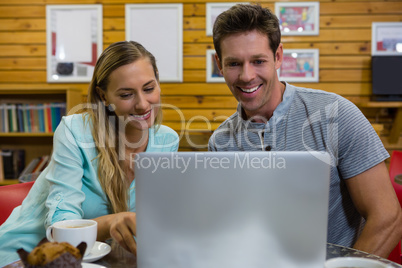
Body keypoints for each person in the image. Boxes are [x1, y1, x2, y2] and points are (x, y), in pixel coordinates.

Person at [208, 4, 402, 258]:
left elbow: (387, 218)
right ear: (219, 64)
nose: (246, 76)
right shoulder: (220, 143)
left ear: (278, 56)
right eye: (234, 63)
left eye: (258, 61)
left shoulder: (337, 114)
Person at [0, 41, 179, 266]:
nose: (143, 105)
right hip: (26, 255)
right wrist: (112, 222)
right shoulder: (74, 131)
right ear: (103, 96)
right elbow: (60, 230)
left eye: (149, 88)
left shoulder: (167, 141)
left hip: (99, 260)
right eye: (126, 95)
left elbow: (153, 219)